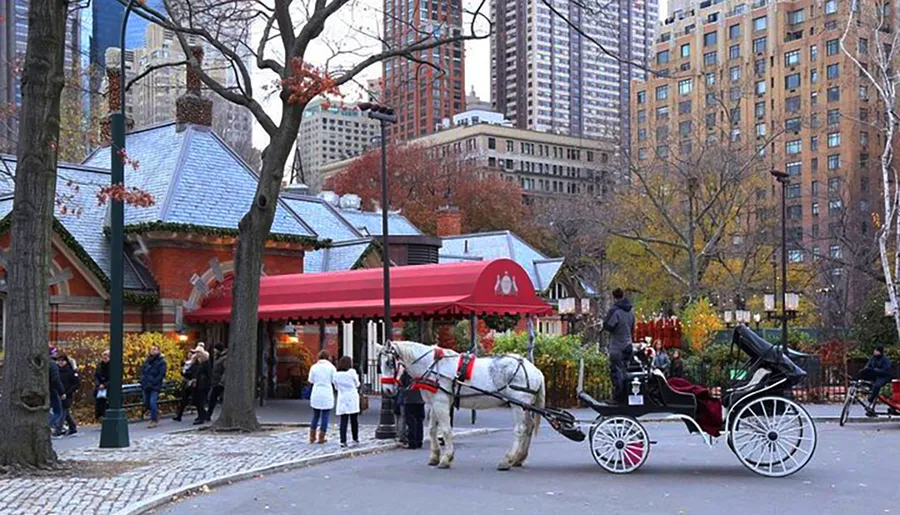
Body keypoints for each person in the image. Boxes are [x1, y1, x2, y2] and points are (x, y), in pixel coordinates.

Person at [603, 288, 636, 402]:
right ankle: (626, 396)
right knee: (625, 371)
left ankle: (618, 398)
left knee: (616, 372)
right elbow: (632, 328)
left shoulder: (615, 311)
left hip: (617, 346)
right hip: (628, 345)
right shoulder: (631, 311)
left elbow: (608, 325)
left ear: (614, 297)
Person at [308, 350, 336, 444]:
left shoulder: (314, 367)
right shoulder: (331, 367)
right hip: (327, 391)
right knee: (325, 415)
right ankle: (321, 437)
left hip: (316, 391)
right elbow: (334, 380)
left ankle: (312, 436)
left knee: (315, 415)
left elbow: (311, 380)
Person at [857, 346, 894, 416]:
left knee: (877, 386)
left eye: (876, 351)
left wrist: (875, 370)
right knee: (867, 382)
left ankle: (871, 399)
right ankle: (870, 403)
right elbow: (868, 366)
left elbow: (887, 370)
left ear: (879, 352)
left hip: (883, 376)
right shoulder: (873, 358)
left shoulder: (885, 360)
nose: (874, 352)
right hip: (875, 375)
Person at [333, 356, 361, 448]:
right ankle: (355, 438)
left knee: (343, 420)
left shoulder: (336, 374)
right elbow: (357, 383)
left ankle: (343, 440)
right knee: (354, 419)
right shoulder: (352, 372)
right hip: (352, 396)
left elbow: (336, 387)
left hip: (342, 397)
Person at [139, 344, 167, 428]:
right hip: (146, 384)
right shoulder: (147, 361)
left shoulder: (161, 362)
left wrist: (154, 382)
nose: (153, 350)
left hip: (155, 385)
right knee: (146, 402)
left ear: (158, 351)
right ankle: (156, 412)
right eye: (151, 349)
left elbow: (161, 374)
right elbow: (143, 371)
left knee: (152, 402)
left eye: (155, 349)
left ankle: (153, 420)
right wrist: (142, 380)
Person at [56, 354, 80, 436]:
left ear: (66, 362)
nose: (60, 362)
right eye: (59, 361)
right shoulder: (57, 371)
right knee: (65, 412)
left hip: (67, 394)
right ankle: (72, 426)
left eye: (62, 361)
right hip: (58, 392)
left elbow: (76, 384)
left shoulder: (71, 371)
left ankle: (58, 429)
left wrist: (67, 392)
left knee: (63, 410)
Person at [400, 370, 425, 449]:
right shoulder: (422, 371)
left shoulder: (407, 372)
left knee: (411, 421)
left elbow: (401, 383)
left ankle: (412, 442)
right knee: (419, 420)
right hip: (421, 398)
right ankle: (419, 441)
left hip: (409, 398)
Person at [173, 349, 198, 422]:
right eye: (189, 354)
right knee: (183, 400)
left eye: (191, 355)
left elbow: (193, 373)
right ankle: (179, 415)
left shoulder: (195, 364)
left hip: (191, 382)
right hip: (185, 383)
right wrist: (183, 372)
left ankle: (203, 414)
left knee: (195, 400)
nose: (189, 356)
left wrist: (186, 373)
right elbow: (182, 372)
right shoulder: (186, 363)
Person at [191, 345, 212, 425]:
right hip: (196, 384)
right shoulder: (195, 361)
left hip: (203, 385)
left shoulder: (205, 362)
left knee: (200, 402)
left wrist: (208, 384)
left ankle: (201, 417)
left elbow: (209, 374)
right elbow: (192, 371)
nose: (196, 354)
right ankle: (203, 415)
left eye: (198, 352)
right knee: (196, 401)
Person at [48, 348, 66, 435]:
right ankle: (46, 426)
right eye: (54, 352)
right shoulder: (52, 364)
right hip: (51, 390)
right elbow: (55, 379)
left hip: (40, 390)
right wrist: (61, 391)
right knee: (58, 411)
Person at [207, 343, 227, 417]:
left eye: (215, 349)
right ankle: (209, 414)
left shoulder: (224, 358)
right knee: (212, 397)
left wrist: (222, 381)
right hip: (215, 381)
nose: (214, 351)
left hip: (219, 382)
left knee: (213, 397)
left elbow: (226, 370)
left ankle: (209, 414)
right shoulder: (218, 357)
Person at [94, 350, 111, 422]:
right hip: (100, 388)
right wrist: (98, 384)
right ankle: (100, 416)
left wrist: (105, 385)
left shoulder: (112, 366)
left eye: (107, 356)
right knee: (99, 403)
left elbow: (114, 378)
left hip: (109, 387)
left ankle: (106, 417)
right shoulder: (99, 365)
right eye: (104, 356)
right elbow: (96, 376)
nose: (105, 357)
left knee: (106, 403)